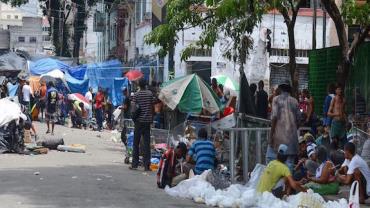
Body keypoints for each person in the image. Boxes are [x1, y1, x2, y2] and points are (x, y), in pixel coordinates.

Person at [267, 80, 299, 171]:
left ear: (280, 88)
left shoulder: (276, 99)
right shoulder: (295, 101)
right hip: (292, 140)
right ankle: (288, 184)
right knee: (289, 166)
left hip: (279, 139)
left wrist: (271, 135)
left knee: (275, 164)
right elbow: (299, 120)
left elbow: (274, 118)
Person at [130, 79, 154, 171]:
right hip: (147, 122)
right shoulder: (150, 94)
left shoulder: (136, 95)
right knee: (146, 144)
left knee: (136, 143)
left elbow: (133, 108)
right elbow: (152, 107)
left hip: (139, 122)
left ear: (139, 85)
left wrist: (134, 117)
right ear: (146, 85)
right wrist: (151, 118)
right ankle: (147, 166)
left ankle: (134, 164)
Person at [328, 84, 347, 148]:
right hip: (335, 123)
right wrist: (336, 114)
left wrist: (346, 121)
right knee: (334, 143)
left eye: (340, 89)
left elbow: (344, 112)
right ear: (335, 91)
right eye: (338, 89)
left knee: (344, 143)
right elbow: (328, 113)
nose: (340, 90)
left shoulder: (343, 100)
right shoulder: (334, 99)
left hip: (342, 124)